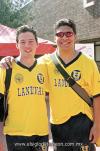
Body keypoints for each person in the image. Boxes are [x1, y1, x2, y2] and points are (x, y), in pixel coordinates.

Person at [1, 19, 100, 151]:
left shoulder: (87, 62)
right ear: (55, 38)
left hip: (82, 122)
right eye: (60, 34)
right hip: (56, 126)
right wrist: (6, 59)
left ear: (75, 36)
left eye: (68, 34)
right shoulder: (44, 62)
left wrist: (97, 126)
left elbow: (97, 95)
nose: (64, 38)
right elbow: (26, 63)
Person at [0, 25, 49, 151]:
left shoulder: (45, 67)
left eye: (31, 41)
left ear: (37, 44)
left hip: (41, 133)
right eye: (22, 42)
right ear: (17, 45)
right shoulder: (6, 68)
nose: (27, 45)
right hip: (16, 134)